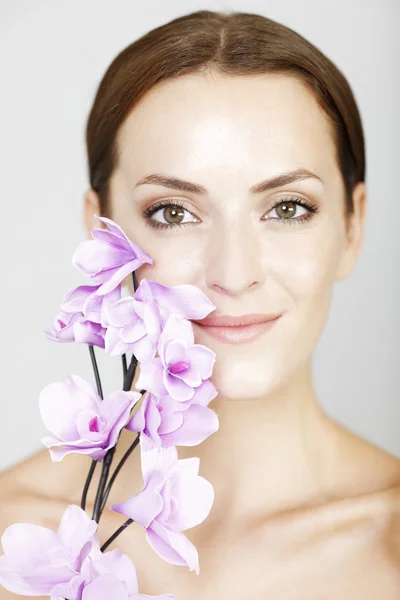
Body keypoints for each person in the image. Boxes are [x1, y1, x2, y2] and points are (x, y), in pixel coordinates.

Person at [1, 9, 399, 599]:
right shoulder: (14, 537)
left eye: (288, 208)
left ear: (353, 227)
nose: (234, 275)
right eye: (173, 213)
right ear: (102, 234)